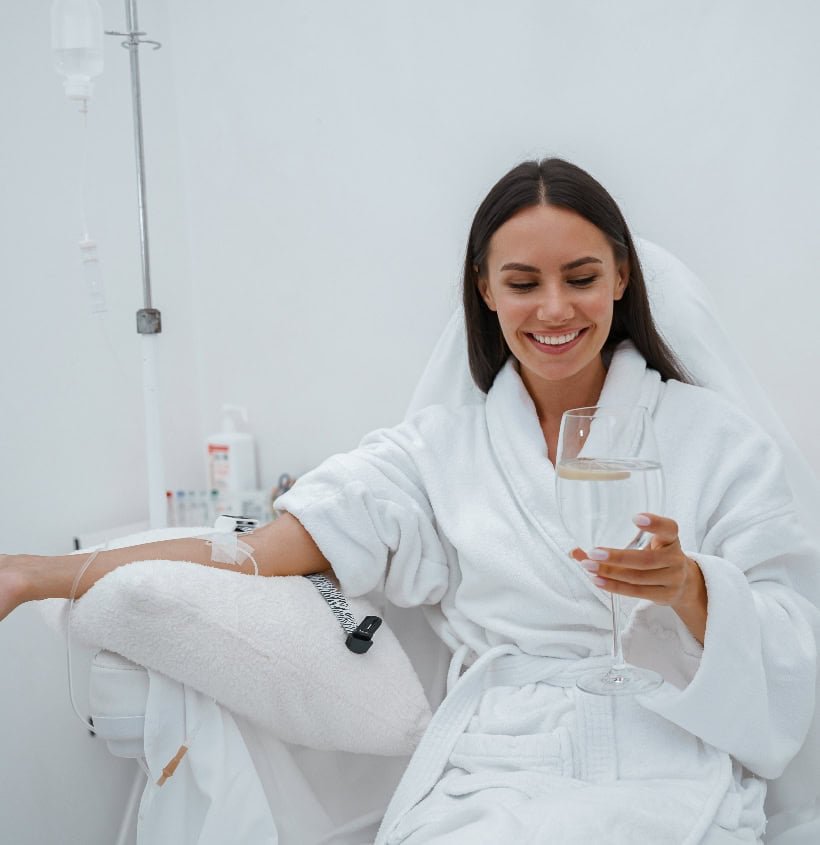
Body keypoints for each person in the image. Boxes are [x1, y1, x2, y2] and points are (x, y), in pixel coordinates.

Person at [1, 158, 817, 844]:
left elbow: (790, 636)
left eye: (582, 278)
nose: (556, 309)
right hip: (500, 760)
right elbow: (266, 549)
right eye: (523, 282)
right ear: (486, 290)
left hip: (663, 741)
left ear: (622, 276)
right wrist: (43, 572)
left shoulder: (715, 439)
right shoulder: (438, 452)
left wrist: (691, 588)